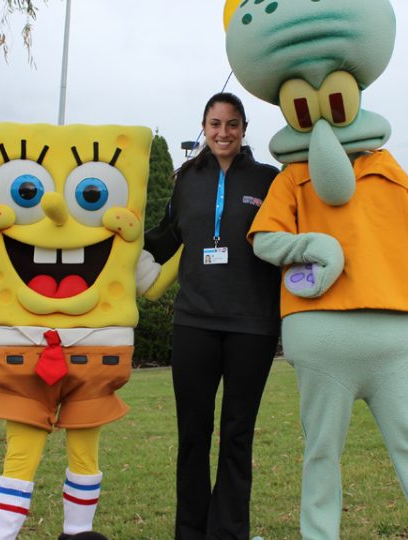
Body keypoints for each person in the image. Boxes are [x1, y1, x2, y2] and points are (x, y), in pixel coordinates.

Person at [144, 92, 281, 540]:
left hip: (252, 326)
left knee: (237, 436)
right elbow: (164, 238)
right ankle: (191, 532)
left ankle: (228, 533)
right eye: (215, 124)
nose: (223, 133)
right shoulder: (187, 179)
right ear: (204, 127)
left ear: (244, 129)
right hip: (194, 324)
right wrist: (111, 241)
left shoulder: (268, 179)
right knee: (193, 436)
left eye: (232, 124)